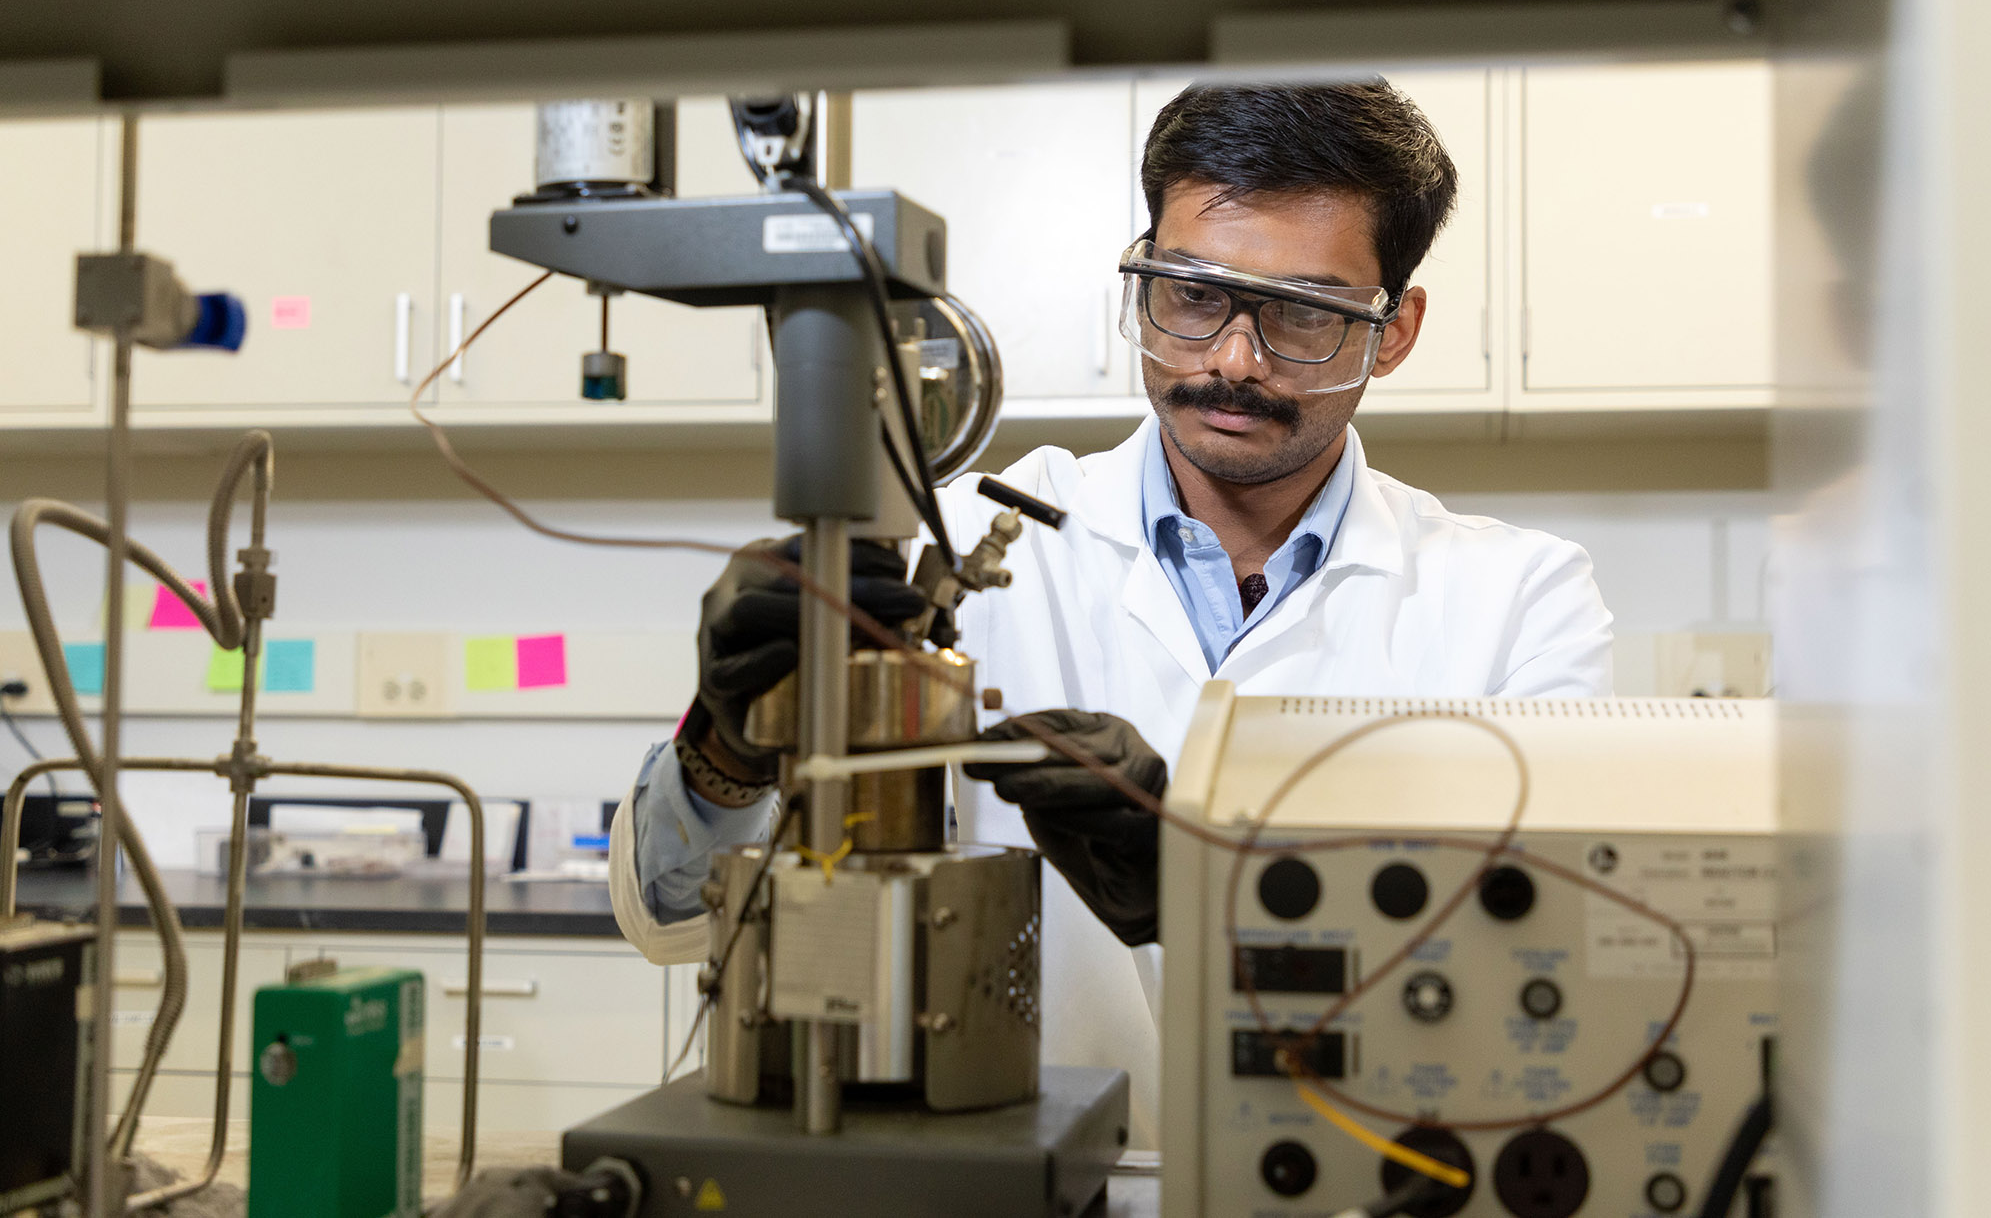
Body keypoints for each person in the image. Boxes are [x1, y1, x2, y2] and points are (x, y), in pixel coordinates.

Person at [607, 81, 1614, 1141]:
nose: (1231, 358)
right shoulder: (946, 546)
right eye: (1189, 292)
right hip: (1014, 1185)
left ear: (1393, 328)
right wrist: (728, 743)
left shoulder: (1518, 602)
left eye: (1303, 315)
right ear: (1137, 276)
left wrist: (1206, 896)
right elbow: (673, 917)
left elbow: (1551, 994)